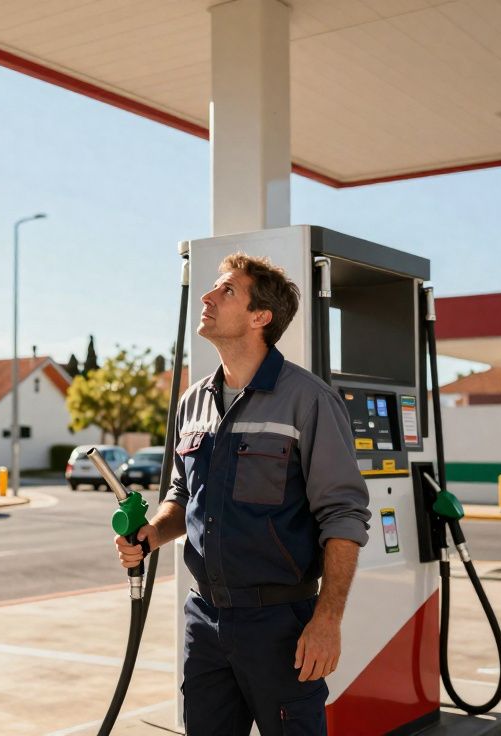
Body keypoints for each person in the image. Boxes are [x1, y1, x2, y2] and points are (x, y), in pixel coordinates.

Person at [114, 252, 370, 735]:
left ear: (260, 317)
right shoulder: (194, 402)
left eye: (226, 290)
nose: (207, 298)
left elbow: (343, 515)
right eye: (212, 288)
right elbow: (182, 492)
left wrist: (327, 620)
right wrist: (151, 534)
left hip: (281, 625)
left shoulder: (308, 400)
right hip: (204, 618)